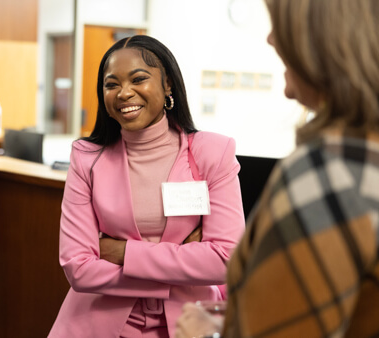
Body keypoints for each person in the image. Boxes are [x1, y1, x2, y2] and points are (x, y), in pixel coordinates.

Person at [176, 0, 379, 337]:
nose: (271, 39)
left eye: (281, 27)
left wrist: (206, 333)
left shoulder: (327, 172)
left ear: (320, 39)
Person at [48, 35, 245, 338]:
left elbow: (225, 259)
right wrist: (181, 266)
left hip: (190, 323)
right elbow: (79, 268)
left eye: (138, 79)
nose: (124, 93)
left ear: (168, 84)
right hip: (96, 323)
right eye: (111, 84)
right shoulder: (86, 158)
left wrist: (123, 252)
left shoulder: (212, 154)